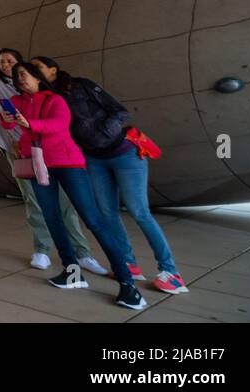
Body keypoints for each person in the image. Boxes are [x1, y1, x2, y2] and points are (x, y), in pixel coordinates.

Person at [30, 57, 187, 294]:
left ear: (53, 69)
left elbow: (120, 111)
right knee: (107, 213)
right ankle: (129, 264)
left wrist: (106, 129)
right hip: (94, 158)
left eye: (38, 68)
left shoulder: (80, 85)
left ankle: (171, 272)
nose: (34, 72)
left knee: (139, 212)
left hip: (125, 152)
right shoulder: (47, 98)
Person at [0, 50, 105, 274]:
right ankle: (42, 249)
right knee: (35, 201)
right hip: (21, 152)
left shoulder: (46, 92)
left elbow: (58, 122)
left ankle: (83, 253)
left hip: (51, 151)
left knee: (66, 204)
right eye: (1, 61)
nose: (6, 65)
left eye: (11, 61)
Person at [0, 62, 145, 310]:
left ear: (37, 78)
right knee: (52, 218)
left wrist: (30, 124)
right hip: (38, 165)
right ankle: (72, 272)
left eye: (24, 74)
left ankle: (127, 283)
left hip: (67, 164)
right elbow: (10, 125)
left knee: (93, 219)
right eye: (17, 76)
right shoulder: (17, 101)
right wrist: (6, 119)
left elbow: (58, 126)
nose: (20, 79)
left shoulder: (55, 99)